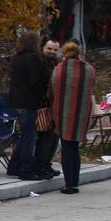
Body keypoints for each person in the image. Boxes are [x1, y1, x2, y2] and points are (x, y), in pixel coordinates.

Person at [49, 42, 96, 194]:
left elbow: (51, 92)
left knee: (67, 148)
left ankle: (69, 184)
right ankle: (75, 182)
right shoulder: (88, 69)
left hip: (63, 113)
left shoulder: (59, 70)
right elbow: (91, 87)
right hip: (81, 113)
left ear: (64, 53)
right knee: (75, 148)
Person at [6, 30, 46, 181]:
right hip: (29, 101)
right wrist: (39, 96)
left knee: (25, 135)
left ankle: (14, 166)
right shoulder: (33, 58)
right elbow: (35, 81)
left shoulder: (17, 58)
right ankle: (25, 169)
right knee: (29, 136)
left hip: (17, 100)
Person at [34, 38, 61, 179]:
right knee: (45, 138)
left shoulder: (56, 63)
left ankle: (46, 164)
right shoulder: (40, 63)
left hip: (53, 106)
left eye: (55, 49)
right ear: (43, 48)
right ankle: (40, 166)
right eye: (49, 49)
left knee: (53, 138)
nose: (52, 52)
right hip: (43, 105)